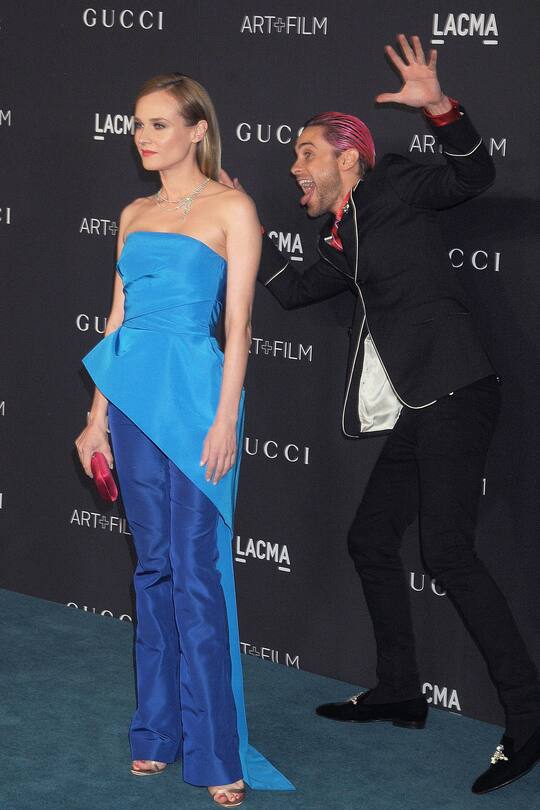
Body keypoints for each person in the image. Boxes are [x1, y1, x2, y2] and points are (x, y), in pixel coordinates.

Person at [223, 35, 540, 794]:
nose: (294, 167)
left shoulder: (394, 184)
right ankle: (401, 689)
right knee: (370, 537)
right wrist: (241, 226)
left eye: (306, 153)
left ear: (351, 157)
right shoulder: (339, 239)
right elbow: (291, 292)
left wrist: (438, 106)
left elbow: (475, 171)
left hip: (459, 393)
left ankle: (528, 718)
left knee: (450, 555)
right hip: (423, 404)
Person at [75, 72, 293, 806]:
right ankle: (155, 732)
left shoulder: (233, 208)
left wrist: (227, 415)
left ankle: (213, 751)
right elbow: (117, 322)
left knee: (199, 574)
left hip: (199, 404)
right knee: (154, 568)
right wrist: (95, 417)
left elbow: (239, 326)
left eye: (160, 124)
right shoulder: (132, 211)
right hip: (132, 401)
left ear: (198, 130)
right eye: (138, 123)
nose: (142, 136)